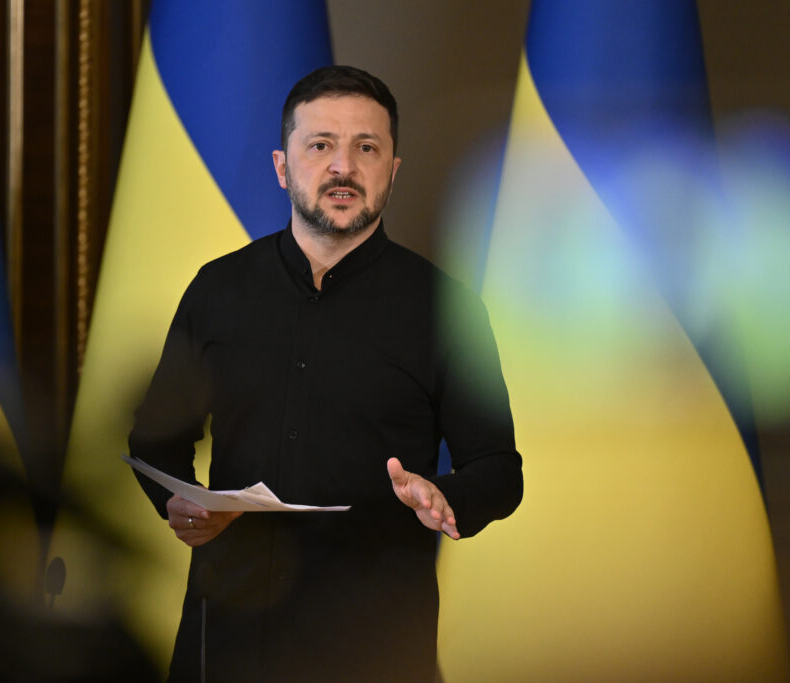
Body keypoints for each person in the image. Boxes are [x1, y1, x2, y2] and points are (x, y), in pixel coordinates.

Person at [129, 65, 522, 683]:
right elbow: (154, 440)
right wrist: (179, 502)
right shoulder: (218, 289)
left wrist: (447, 496)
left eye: (366, 148)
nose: (343, 167)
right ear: (283, 167)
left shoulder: (448, 309)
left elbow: (500, 469)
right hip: (227, 639)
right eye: (320, 146)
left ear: (392, 170)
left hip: (375, 646)